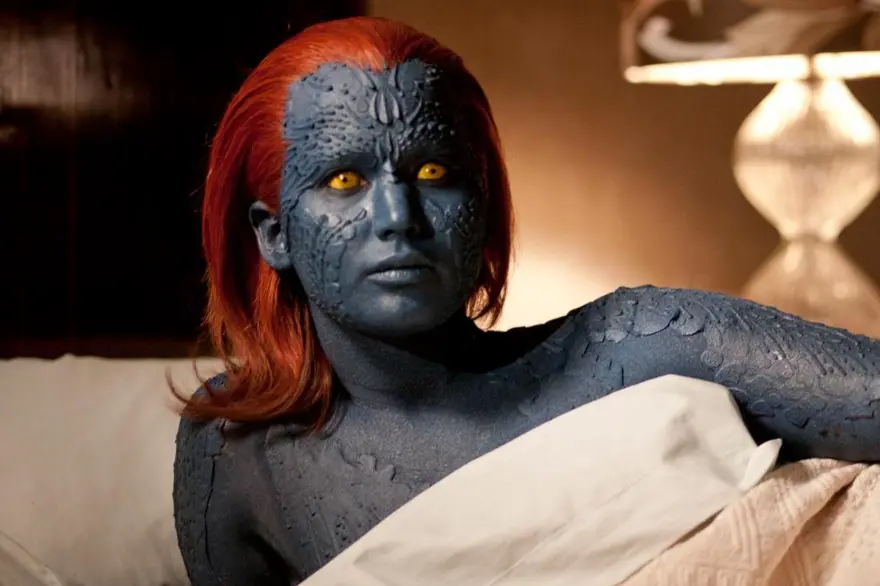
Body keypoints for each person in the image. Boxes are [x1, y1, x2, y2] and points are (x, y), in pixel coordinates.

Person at [172, 16, 880, 586]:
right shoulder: (236, 449)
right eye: (343, 181)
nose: (397, 216)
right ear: (273, 234)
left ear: (482, 201)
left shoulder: (649, 345)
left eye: (433, 170)